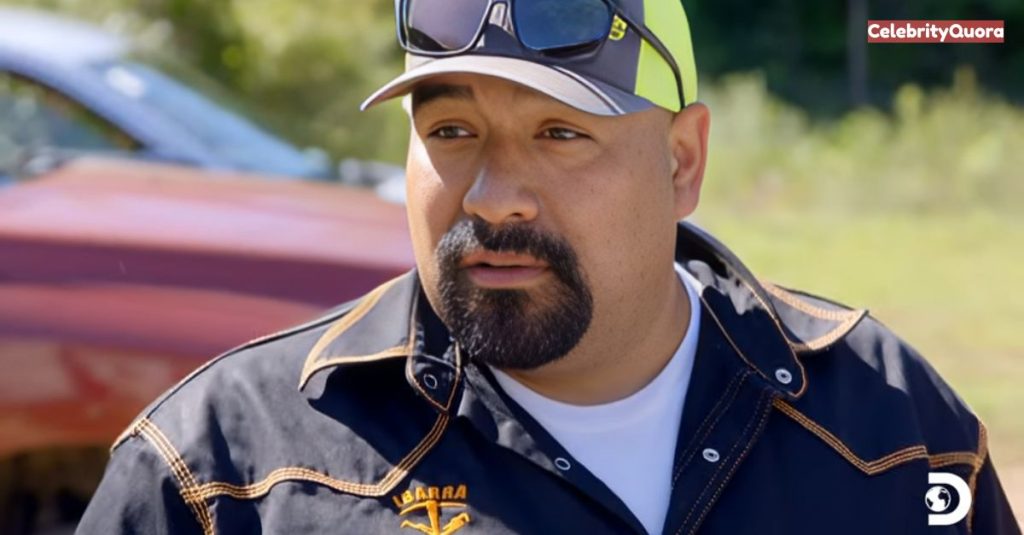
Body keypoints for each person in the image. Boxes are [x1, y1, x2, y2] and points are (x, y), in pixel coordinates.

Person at [78, 0, 1020, 533]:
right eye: (451, 131)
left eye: (560, 133)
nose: (494, 197)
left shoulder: (890, 434)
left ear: (682, 162)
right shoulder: (228, 472)